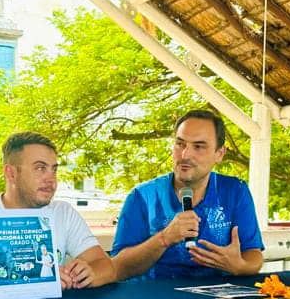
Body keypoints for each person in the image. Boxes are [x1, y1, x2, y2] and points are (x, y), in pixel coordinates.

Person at [0, 132, 115, 291]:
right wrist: (34, 278)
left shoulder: (63, 212)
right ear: (11, 173)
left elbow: (106, 267)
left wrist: (88, 274)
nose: (51, 179)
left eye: (54, 169)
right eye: (40, 168)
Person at [112, 110, 264, 281]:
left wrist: (240, 267)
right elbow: (118, 266)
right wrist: (164, 238)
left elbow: (253, 254)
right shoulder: (141, 197)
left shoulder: (236, 190)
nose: (185, 155)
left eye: (198, 146)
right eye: (180, 144)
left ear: (219, 154)